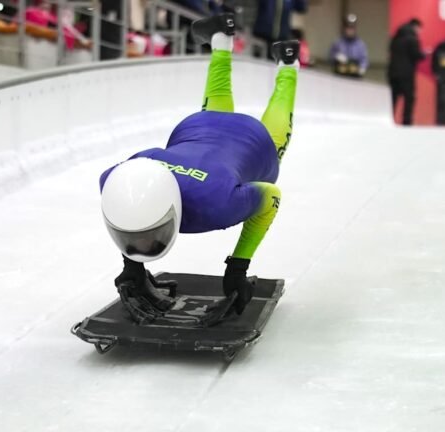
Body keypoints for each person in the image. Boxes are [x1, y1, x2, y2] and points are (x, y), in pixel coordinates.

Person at [99, 14, 300, 324]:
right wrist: (133, 265)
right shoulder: (118, 177)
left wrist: (238, 266)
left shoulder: (218, 203)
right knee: (214, 111)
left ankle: (288, 66)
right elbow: (126, 194)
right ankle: (227, 43)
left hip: (254, 143)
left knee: (273, 144)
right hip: (198, 128)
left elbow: (271, 196)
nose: (144, 245)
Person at [388, 18, 426, 126]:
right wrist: (424, 54)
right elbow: (416, 55)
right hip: (407, 74)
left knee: (393, 98)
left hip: (393, 72)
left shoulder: (395, 37)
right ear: (416, 27)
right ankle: (406, 122)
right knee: (409, 98)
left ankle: (390, 119)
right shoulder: (412, 39)